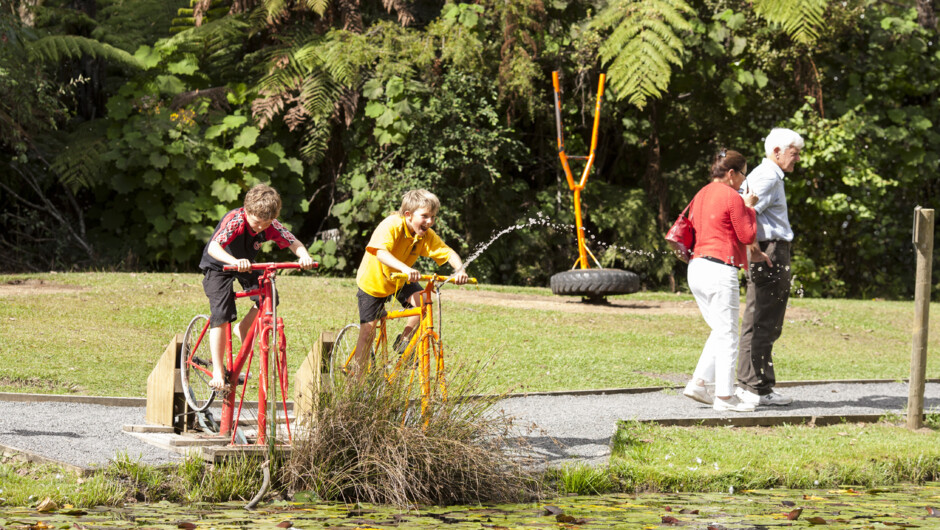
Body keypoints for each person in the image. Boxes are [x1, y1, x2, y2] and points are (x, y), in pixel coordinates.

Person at [198, 184, 315, 390]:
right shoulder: (236, 220)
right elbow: (214, 247)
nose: (260, 228)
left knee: (269, 295)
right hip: (219, 264)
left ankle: (242, 328)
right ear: (247, 211)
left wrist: (304, 255)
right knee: (221, 313)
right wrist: (233, 261)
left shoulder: (270, 224)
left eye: (266, 223)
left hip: (246, 265)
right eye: (257, 222)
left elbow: (292, 241)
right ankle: (218, 369)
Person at [350, 189, 469, 378]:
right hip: (374, 282)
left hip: (400, 279)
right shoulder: (391, 225)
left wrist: (460, 270)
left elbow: (448, 253)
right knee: (368, 332)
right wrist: (405, 269)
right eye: (425, 216)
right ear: (408, 215)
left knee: (424, 303)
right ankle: (354, 383)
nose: (429, 222)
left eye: (433, 217)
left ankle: (404, 340)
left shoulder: (425, 235)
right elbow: (380, 252)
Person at [682, 149, 758, 412]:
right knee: (728, 334)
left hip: (696, 267)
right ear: (731, 173)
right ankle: (725, 397)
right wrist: (749, 208)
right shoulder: (731, 195)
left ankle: (699, 384)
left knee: (720, 329)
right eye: (743, 175)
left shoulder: (700, 193)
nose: (743, 182)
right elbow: (747, 235)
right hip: (719, 267)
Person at [735, 128, 804, 407]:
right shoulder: (768, 176)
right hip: (771, 250)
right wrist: (754, 250)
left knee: (758, 318)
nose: (797, 159)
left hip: (768, 249)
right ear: (777, 151)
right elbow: (744, 210)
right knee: (767, 320)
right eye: (794, 153)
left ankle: (748, 384)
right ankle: (757, 388)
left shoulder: (767, 175)